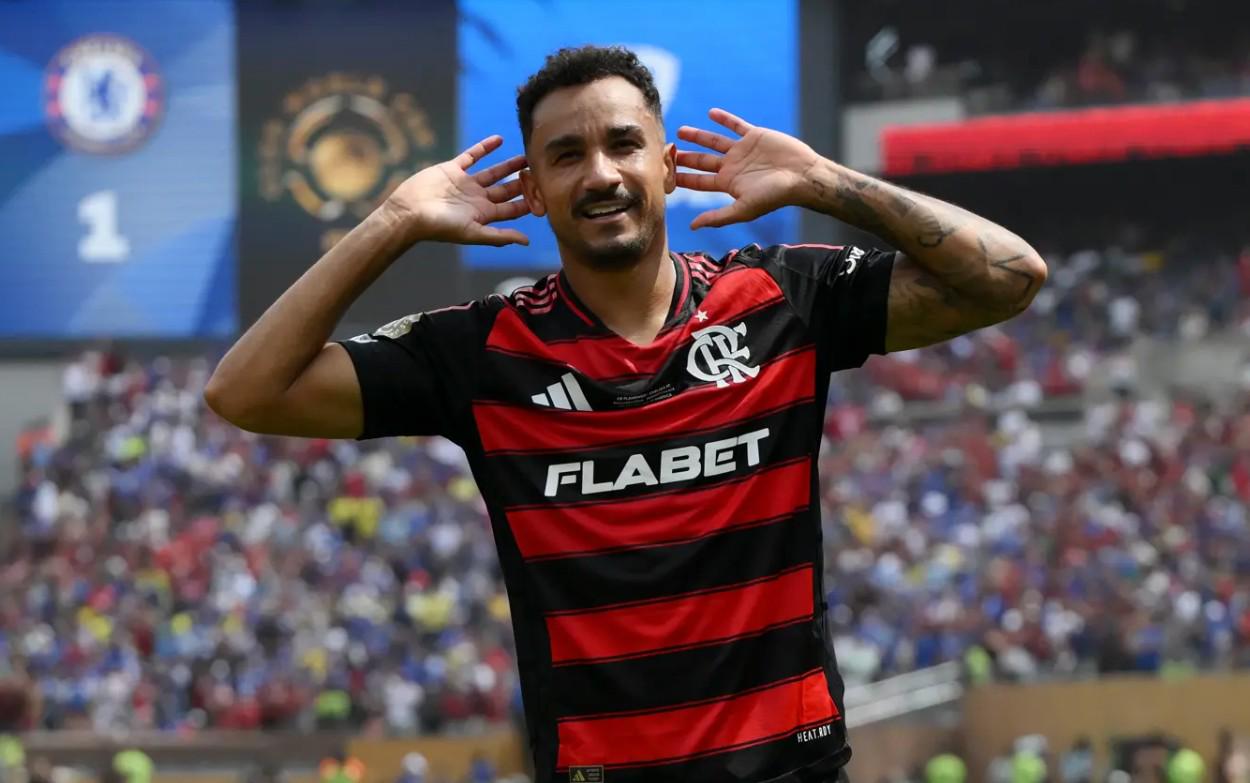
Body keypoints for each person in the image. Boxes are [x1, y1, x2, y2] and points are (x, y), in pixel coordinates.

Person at [206, 45, 1046, 783]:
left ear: (667, 166)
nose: (601, 173)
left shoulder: (783, 299)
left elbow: (1011, 276)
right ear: (534, 190)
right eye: (566, 155)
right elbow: (244, 391)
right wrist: (393, 222)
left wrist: (826, 182)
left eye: (623, 144)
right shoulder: (481, 351)